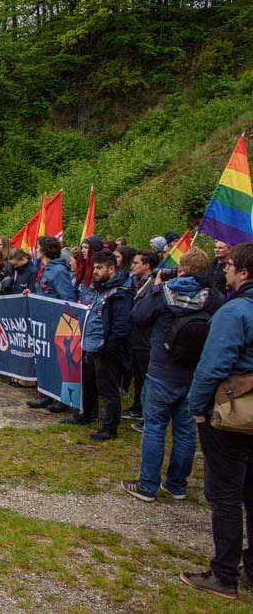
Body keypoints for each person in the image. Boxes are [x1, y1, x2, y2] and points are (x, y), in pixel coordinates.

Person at [181, 242, 253, 599]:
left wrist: (197, 407)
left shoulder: (235, 311)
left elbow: (213, 366)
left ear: (243, 272)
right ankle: (250, 568)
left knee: (224, 495)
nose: (223, 270)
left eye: (229, 266)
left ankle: (223, 574)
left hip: (230, 412)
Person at [122, 248, 222, 503]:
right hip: (194, 372)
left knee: (154, 428)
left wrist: (154, 286)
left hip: (162, 369)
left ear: (181, 269)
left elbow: (138, 316)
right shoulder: (214, 297)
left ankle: (147, 485)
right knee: (186, 431)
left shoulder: (164, 291)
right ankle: (177, 484)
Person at [62, 250, 132, 441]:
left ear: (112, 268)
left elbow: (121, 326)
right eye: (95, 267)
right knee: (89, 384)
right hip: (90, 346)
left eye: (100, 268)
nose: (95, 271)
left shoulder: (120, 294)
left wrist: (108, 349)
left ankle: (110, 428)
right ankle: (87, 415)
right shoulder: (101, 290)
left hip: (104, 350)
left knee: (108, 390)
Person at [27, 236, 77, 411]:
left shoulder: (58, 271)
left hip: (56, 323)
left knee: (58, 362)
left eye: (38, 246)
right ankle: (46, 393)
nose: (35, 249)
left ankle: (62, 399)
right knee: (45, 359)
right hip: (44, 322)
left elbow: (67, 298)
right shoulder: (44, 269)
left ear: (45, 250)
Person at [123, 250, 160, 423]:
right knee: (137, 375)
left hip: (146, 338)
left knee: (145, 377)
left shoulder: (153, 285)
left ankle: (147, 413)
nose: (133, 265)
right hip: (135, 337)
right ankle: (137, 406)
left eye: (137, 263)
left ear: (147, 265)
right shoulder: (134, 282)